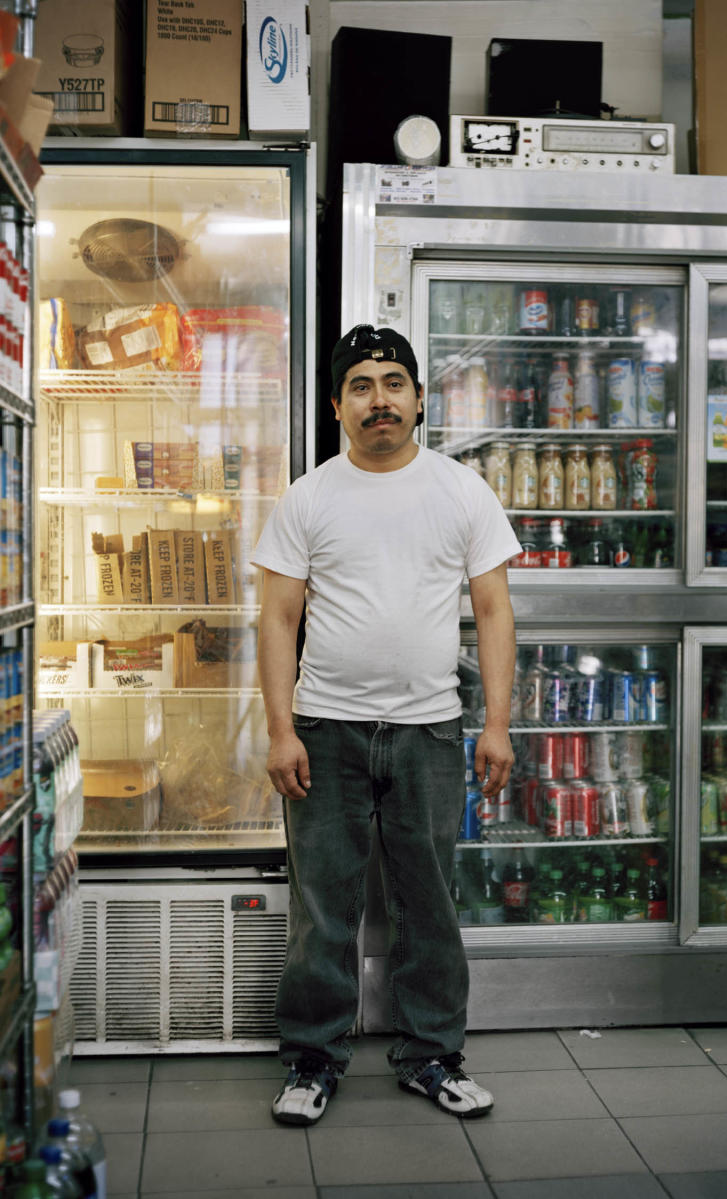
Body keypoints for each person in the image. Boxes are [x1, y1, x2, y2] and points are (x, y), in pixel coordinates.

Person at [251, 324, 521, 1127]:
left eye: (394, 382)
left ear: (419, 398)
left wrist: (497, 724)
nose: (380, 399)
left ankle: (431, 1055)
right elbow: (276, 617)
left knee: (428, 903)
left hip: (430, 728)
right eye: (362, 385)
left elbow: (496, 610)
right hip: (324, 728)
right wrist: (279, 728)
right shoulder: (310, 496)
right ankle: (311, 1059)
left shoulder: (461, 489)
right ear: (338, 404)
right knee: (323, 905)